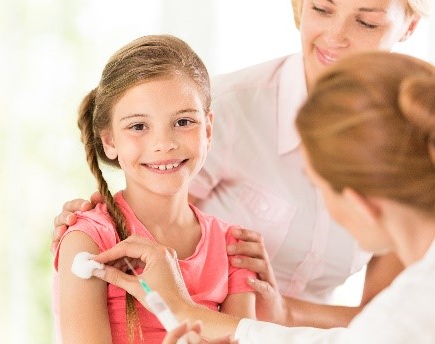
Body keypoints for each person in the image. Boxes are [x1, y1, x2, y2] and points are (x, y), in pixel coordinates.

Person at [52, 0, 431, 328]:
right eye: (321, 8)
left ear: (410, 25)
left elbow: (387, 318)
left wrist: (287, 314)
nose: (336, 35)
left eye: (366, 21)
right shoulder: (231, 109)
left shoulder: (409, 131)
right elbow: (147, 206)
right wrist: (90, 226)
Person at [52, 34, 257, 344]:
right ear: (109, 141)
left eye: (184, 121)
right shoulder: (89, 241)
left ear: (209, 129)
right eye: (138, 126)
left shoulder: (232, 246)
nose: (164, 144)